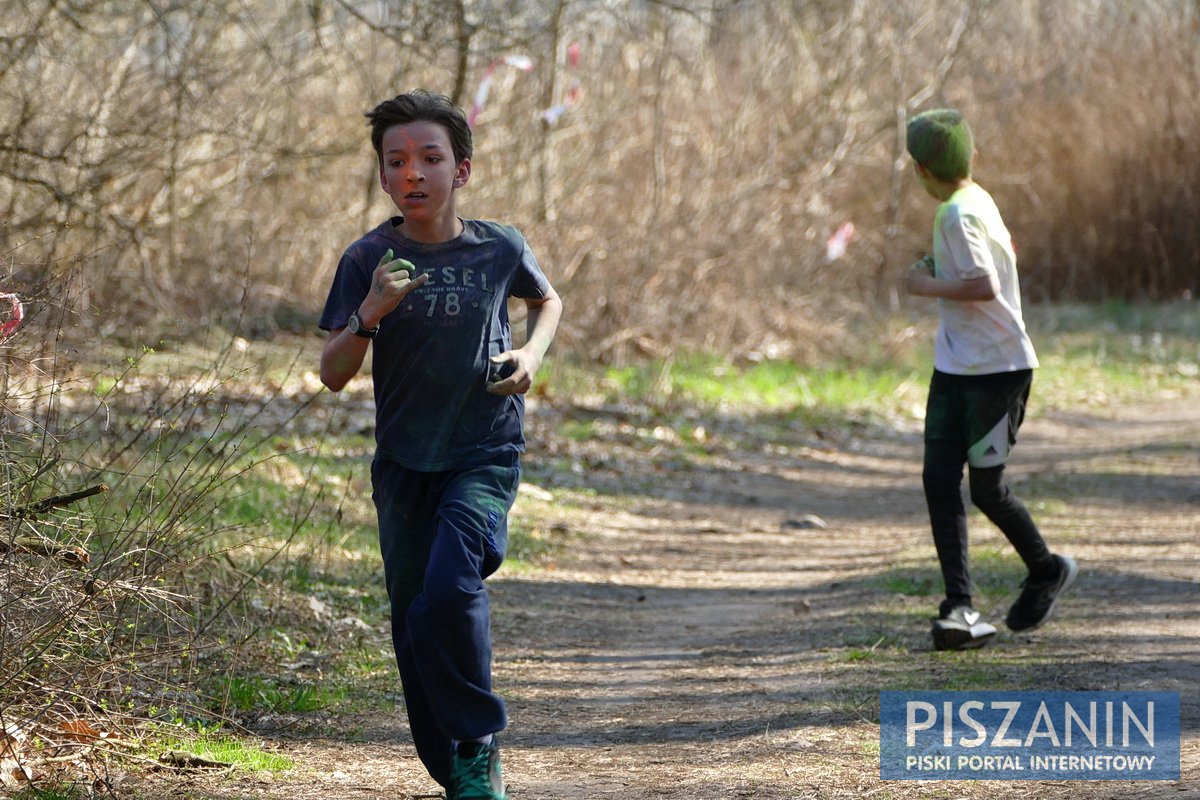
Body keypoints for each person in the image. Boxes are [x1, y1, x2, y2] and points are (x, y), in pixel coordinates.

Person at [319, 90, 563, 799]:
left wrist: (531, 356)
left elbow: (547, 300)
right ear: (385, 177)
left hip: (483, 452)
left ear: (462, 170)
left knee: (450, 590)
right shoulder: (368, 256)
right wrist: (370, 312)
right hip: (403, 466)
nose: (413, 173)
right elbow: (333, 374)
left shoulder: (500, 247)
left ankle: (477, 742)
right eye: (397, 162)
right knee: (413, 619)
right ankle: (454, 764)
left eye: (430, 158)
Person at [903, 108, 1076, 652]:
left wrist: (922, 285)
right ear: (971, 158)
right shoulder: (974, 200)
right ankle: (960, 609)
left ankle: (1047, 570)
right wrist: (934, 264)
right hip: (956, 367)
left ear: (922, 170)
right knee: (938, 477)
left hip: (999, 371)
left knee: (986, 489)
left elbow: (981, 285)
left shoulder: (958, 211)